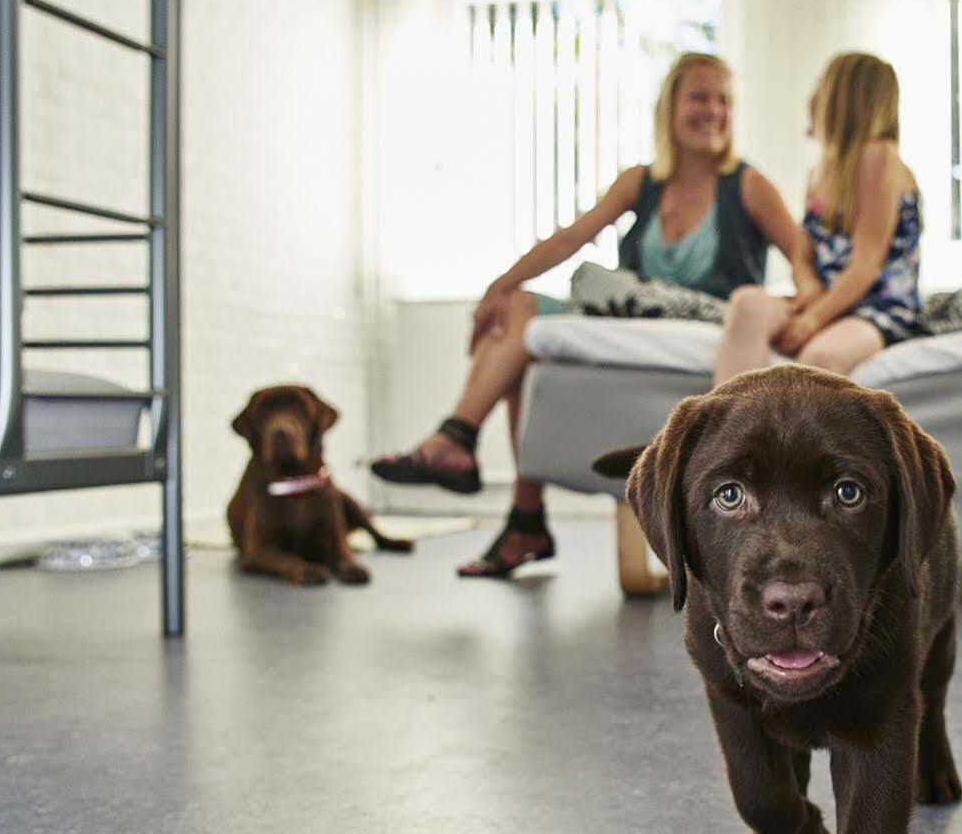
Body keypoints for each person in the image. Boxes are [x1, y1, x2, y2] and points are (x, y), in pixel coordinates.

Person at [371, 53, 817, 577]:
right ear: (670, 106)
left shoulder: (746, 185)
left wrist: (802, 314)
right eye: (700, 97)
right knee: (520, 314)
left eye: (723, 100)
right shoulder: (641, 183)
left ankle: (522, 516)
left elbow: (804, 260)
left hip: (701, 319)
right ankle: (460, 435)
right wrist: (501, 284)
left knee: (528, 353)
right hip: (633, 319)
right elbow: (570, 238)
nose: (713, 111)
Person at [711, 52, 922, 387]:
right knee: (747, 304)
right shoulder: (819, 171)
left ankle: (785, 439)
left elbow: (866, 263)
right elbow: (802, 254)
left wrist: (812, 320)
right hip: (824, 300)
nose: (812, 98)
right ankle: (732, 431)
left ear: (842, 97)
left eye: (820, 87)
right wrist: (808, 289)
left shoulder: (877, 157)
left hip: (874, 307)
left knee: (820, 359)